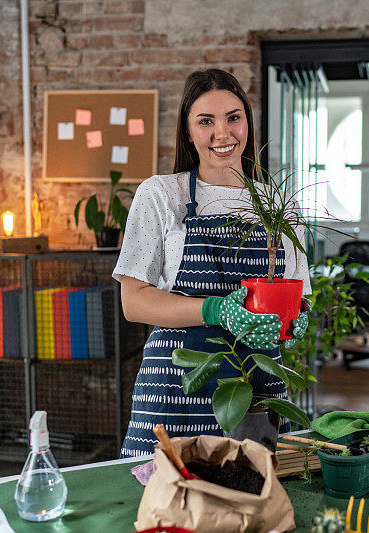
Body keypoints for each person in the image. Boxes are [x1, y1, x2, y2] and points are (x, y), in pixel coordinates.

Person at [112, 68, 311, 458]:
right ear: (188, 132)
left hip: (254, 385)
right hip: (176, 384)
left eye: (234, 117)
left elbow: (297, 292)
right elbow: (132, 302)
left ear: (248, 123)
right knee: (168, 502)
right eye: (206, 121)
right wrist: (215, 309)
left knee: (254, 498)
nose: (223, 134)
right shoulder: (160, 194)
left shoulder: (279, 205)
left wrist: (296, 318)